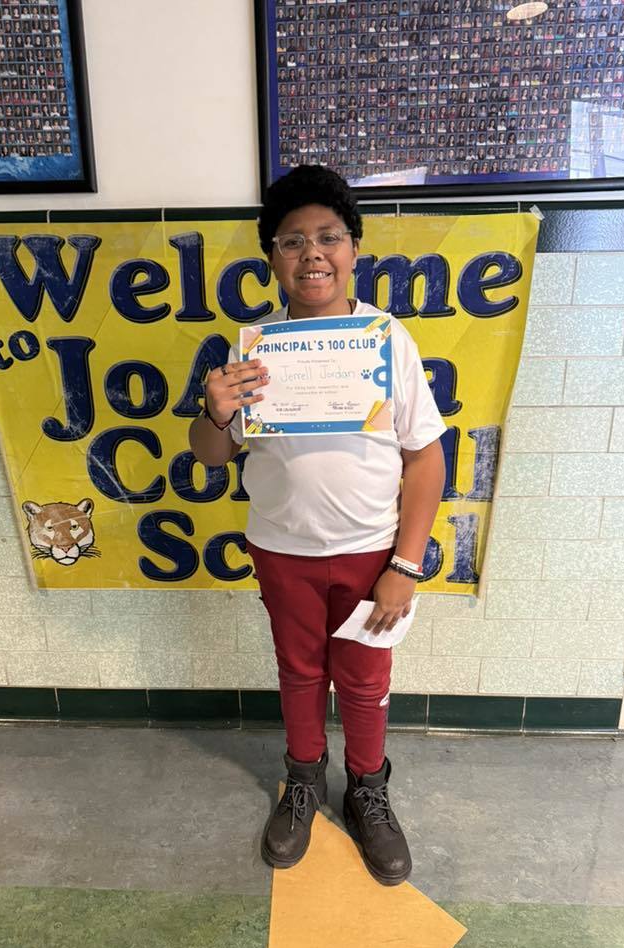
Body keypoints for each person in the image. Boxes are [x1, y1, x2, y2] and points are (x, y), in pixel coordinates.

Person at [188, 165, 446, 887]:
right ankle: (304, 780)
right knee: (300, 674)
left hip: (371, 555)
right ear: (272, 257)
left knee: (365, 678)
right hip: (282, 551)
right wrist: (214, 410)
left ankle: (367, 788)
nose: (312, 253)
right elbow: (210, 455)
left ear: (354, 249)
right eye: (292, 240)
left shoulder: (386, 338)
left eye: (328, 237)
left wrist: (406, 563)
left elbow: (426, 456)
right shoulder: (252, 348)